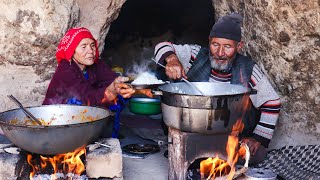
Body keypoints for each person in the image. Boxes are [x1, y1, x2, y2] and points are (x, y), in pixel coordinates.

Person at [153, 13, 281, 165]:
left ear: (239, 46)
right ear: (209, 41)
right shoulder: (195, 55)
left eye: (227, 47)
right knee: (189, 153)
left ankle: (206, 156)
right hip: (193, 131)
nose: (220, 53)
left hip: (231, 135)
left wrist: (258, 137)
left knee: (256, 155)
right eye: (215, 45)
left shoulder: (248, 69)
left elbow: (272, 102)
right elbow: (162, 46)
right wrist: (173, 60)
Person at [43, 27, 136, 107]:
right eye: (84, 47)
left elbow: (112, 80)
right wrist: (109, 92)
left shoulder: (97, 64)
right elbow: (86, 97)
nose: (91, 51)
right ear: (71, 52)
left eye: (92, 45)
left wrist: (123, 87)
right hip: (58, 117)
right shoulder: (65, 69)